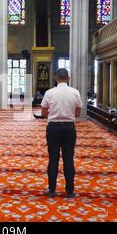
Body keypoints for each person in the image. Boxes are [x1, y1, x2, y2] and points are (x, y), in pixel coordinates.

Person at [41, 68, 82, 198]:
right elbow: (78, 112)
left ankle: (51, 190)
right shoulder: (75, 92)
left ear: (55, 78)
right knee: (68, 159)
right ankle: (70, 191)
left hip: (53, 128)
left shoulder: (49, 92)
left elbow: (43, 112)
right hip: (69, 128)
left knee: (53, 159)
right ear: (68, 78)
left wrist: (54, 114)